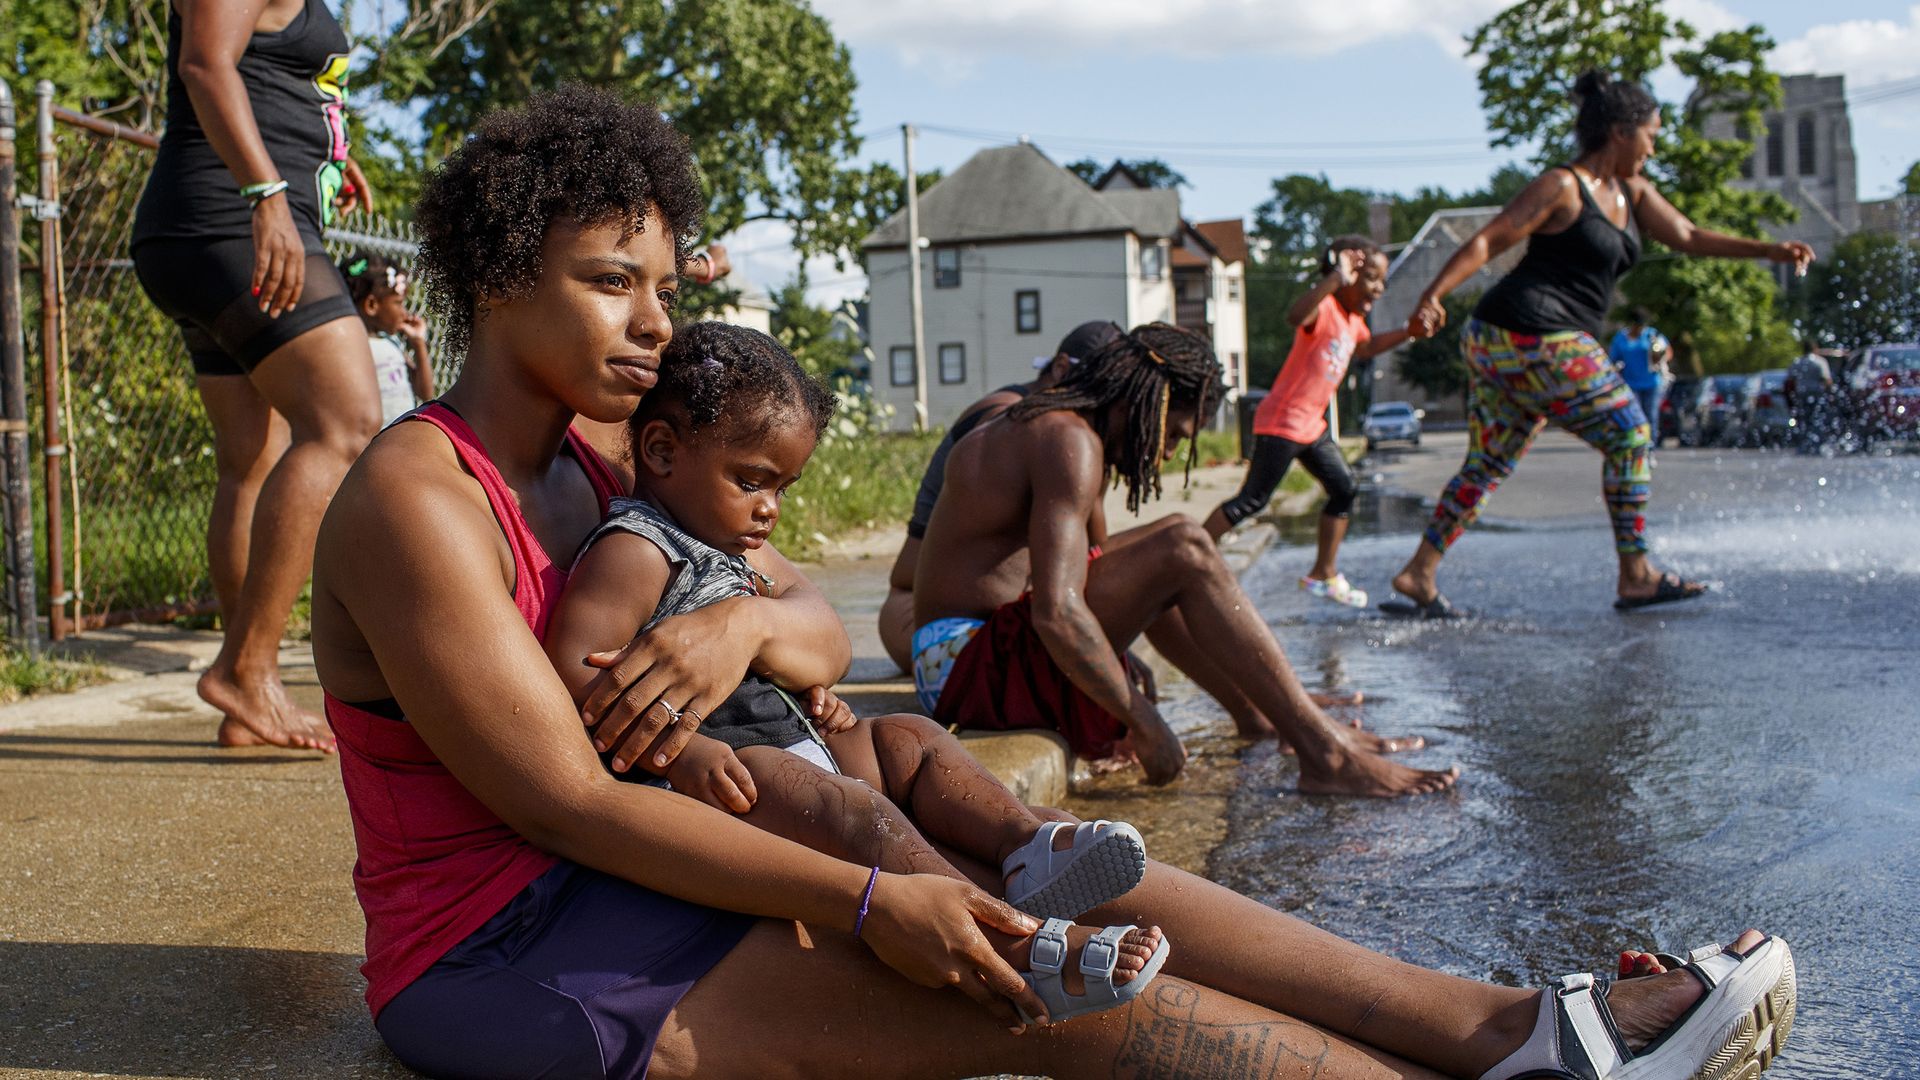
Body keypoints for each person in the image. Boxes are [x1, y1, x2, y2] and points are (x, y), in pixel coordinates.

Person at [312, 86, 1796, 1080]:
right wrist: (874, 890)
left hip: (647, 866)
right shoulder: (414, 498)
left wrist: (752, 626)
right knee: (1042, 986)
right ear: (501, 273)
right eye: (607, 281)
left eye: (661, 281)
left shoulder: (593, 464)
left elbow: (816, 623)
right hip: (513, 947)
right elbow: (562, 802)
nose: (655, 321)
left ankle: (1515, 1030)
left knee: (1087, 890)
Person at [543, 319, 1154, 934]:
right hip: (735, 772)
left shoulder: (725, 542)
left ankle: (1027, 845)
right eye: (751, 481)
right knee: (857, 811)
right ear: (662, 451)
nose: (769, 509)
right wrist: (679, 752)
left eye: (783, 488)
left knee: (910, 740)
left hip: (799, 743)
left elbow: (792, 648)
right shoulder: (637, 549)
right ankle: (984, 917)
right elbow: (575, 668)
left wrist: (806, 699)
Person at [911, 321, 1450, 795]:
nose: (1167, 451)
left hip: (960, 659)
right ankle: (1324, 753)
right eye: (1174, 433)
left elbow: (1096, 571)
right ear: (1146, 401)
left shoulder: (1055, 427)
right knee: (1183, 546)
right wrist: (1145, 720)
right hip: (965, 666)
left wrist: (1115, 655)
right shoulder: (1066, 441)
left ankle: (1260, 716)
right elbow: (1058, 613)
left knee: (1167, 546)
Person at [1388, 70, 1815, 616]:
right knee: (1632, 435)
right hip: (1530, 331)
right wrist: (1432, 294)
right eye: (1651, 135)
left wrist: (1770, 251)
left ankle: (1418, 572)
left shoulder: (1631, 192)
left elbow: (1687, 236)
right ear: (1620, 131)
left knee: (1488, 464)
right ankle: (1635, 574)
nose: (1654, 147)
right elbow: (1492, 238)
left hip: (1508, 342)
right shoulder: (1562, 185)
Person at [130, 0, 384, 751]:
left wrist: (328, 151)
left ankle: (244, 700)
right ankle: (249, 669)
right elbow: (205, 63)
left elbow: (267, 74)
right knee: (345, 424)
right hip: (231, 220)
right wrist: (267, 195)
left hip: (213, 225)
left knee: (253, 460)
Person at [877, 320, 1121, 673]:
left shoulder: (1078, 434)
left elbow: (1096, 554)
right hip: (912, 609)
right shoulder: (1004, 419)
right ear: (1062, 368)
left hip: (997, 615)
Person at [1205, 236, 1409, 610]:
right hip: (1282, 422)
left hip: (1311, 427)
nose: (1379, 288)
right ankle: (1192, 551)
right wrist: (1334, 280)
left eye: (1382, 281)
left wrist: (1409, 332)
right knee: (1252, 501)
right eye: (1372, 278)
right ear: (1347, 275)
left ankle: (1323, 574)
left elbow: (1364, 348)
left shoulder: (1353, 321)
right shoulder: (1326, 309)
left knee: (1345, 487)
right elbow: (1295, 316)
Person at [339, 250, 434, 425]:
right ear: (372, 305)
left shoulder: (392, 342)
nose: (404, 312)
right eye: (398, 303)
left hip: (399, 438)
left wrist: (418, 343)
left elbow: (425, 392)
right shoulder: (353, 347)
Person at [1608, 307, 1671, 447]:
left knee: (1651, 416)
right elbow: (1613, 360)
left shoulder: (1652, 335)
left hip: (1652, 383)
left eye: (1642, 325)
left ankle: (1651, 447)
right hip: (1631, 384)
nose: (1640, 329)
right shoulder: (1620, 339)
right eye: (1637, 325)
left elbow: (1667, 352)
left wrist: (1659, 357)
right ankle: (1637, 445)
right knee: (1635, 417)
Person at [1785, 339, 1836, 452]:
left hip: (1801, 394)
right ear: (1815, 349)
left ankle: (1803, 445)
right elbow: (1828, 381)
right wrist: (1831, 394)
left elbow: (1789, 380)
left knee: (1803, 419)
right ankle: (1816, 445)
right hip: (1817, 394)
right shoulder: (1820, 362)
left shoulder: (1797, 362)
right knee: (1817, 419)